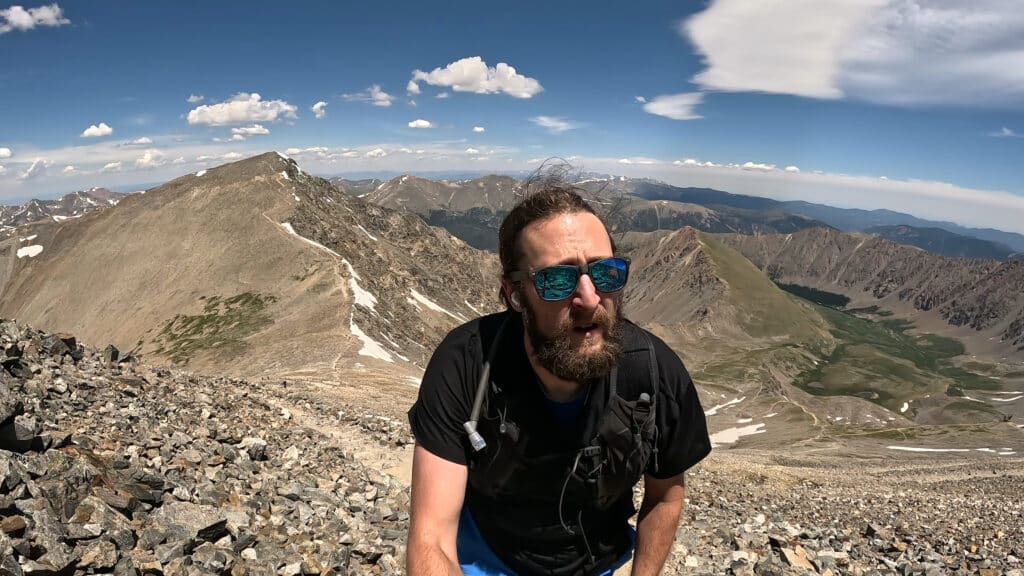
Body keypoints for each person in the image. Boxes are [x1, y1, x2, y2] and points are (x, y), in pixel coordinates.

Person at [407, 175, 711, 576]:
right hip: (485, 555)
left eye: (606, 273)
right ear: (514, 293)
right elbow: (431, 540)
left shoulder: (656, 373)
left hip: (603, 561)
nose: (589, 298)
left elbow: (666, 498)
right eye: (557, 279)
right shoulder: (465, 364)